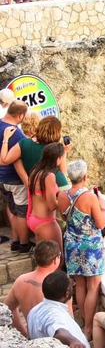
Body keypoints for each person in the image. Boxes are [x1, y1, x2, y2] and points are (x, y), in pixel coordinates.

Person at [58, 159, 105, 339]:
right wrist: (101, 206)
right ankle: (87, 328)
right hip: (91, 247)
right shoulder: (90, 197)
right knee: (93, 286)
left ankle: (83, 327)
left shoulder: (62, 196)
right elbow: (101, 224)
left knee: (80, 284)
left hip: (72, 244)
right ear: (85, 176)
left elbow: (64, 218)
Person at [4, 240, 62, 337]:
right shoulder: (58, 285)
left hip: (34, 337)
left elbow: (7, 309)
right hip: (56, 340)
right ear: (55, 260)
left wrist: (23, 332)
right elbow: (69, 319)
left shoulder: (20, 280)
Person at [2, 115, 72, 192]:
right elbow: (63, 172)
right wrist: (64, 151)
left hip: (36, 188)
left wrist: (5, 139)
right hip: (57, 186)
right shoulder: (55, 148)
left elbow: (4, 160)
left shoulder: (24, 143)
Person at [27, 270, 89, 348]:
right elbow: (59, 331)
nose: (73, 286)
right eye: (71, 284)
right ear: (67, 294)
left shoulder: (33, 311)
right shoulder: (54, 314)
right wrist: (73, 341)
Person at [0, 100, 31, 252]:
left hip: (2, 178)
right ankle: (23, 244)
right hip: (15, 180)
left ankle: (15, 239)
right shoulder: (17, 134)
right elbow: (18, 161)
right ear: (20, 115)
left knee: (11, 208)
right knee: (21, 212)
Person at [27, 143, 65, 253]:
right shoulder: (49, 176)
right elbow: (52, 205)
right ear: (58, 158)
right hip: (46, 222)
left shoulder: (35, 172)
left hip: (34, 219)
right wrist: (66, 201)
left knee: (44, 259)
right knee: (57, 258)